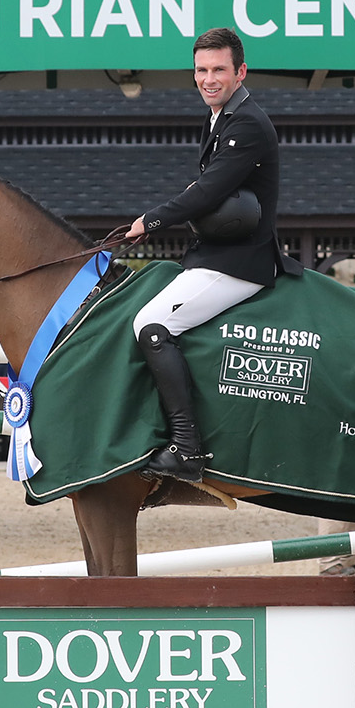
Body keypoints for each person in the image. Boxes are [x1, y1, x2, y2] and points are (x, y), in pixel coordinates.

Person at [125, 27, 303, 482]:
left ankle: (187, 449)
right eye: (201, 70)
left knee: (151, 324)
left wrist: (152, 220)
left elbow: (208, 192)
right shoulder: (221, 117)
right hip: (216, 253)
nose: (209, 78)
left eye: (218, 69)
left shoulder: (244, 123)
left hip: (239, 262)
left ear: (240, 71)